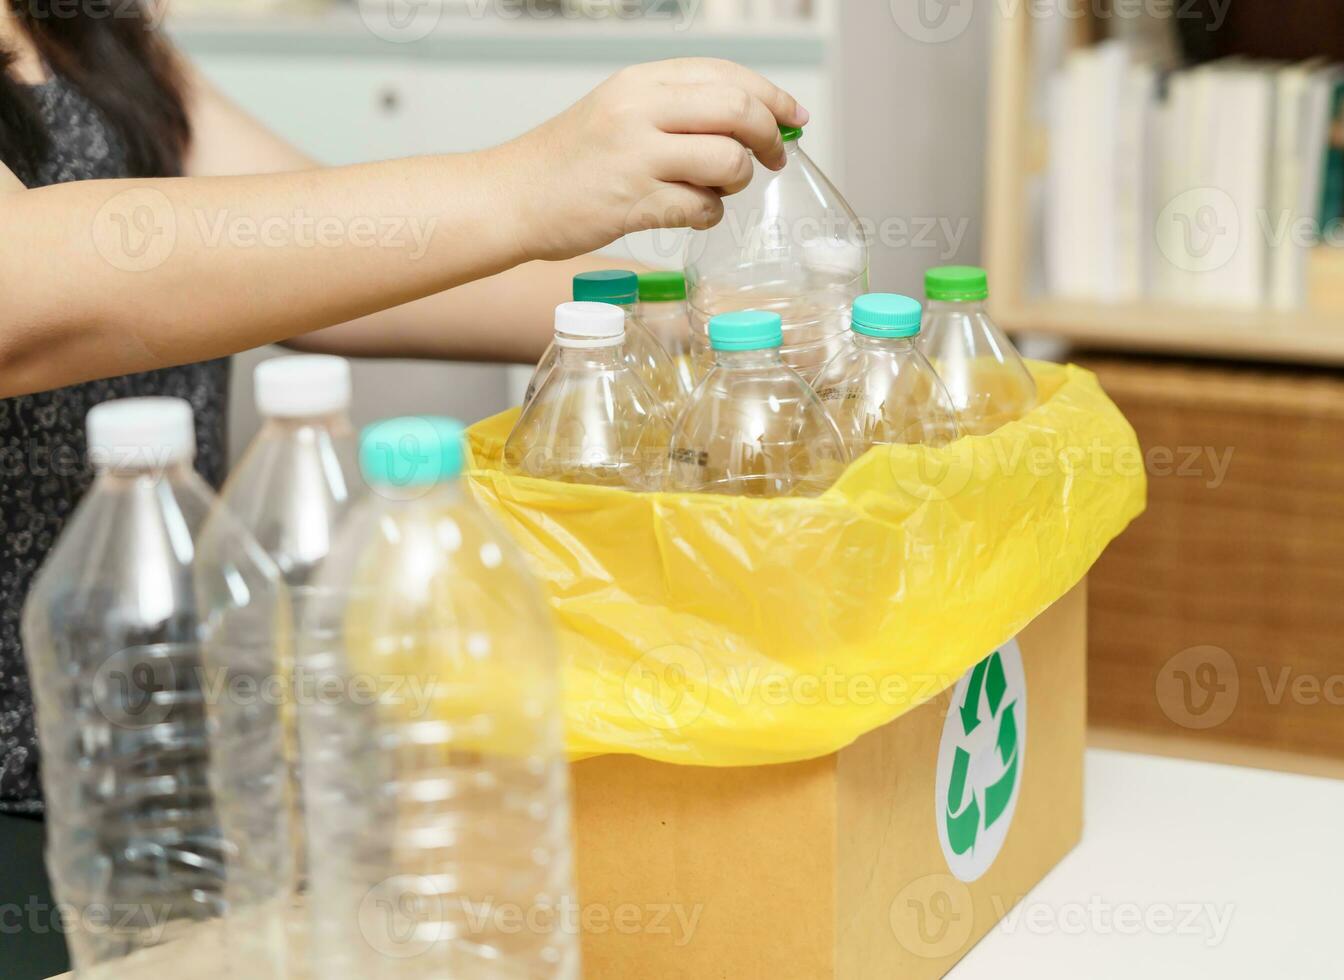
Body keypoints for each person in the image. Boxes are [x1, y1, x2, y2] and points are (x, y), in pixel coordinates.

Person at [0, 3, 805, 972]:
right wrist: (528, 181)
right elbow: (21, 288)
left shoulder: (79, 24)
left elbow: (336, 252)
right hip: (60, 832)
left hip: (206, 781)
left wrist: (693, 323)